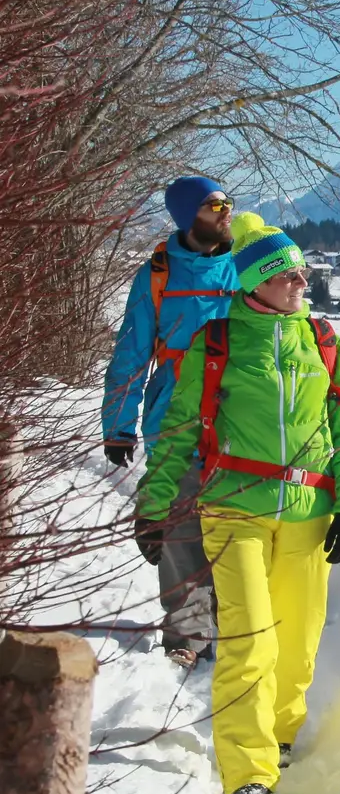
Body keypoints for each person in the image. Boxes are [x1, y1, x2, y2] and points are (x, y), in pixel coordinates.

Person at [134, 213, 340, 794]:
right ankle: (247, 768)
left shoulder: (321, 341)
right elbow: (180, 431)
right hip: (231, 509)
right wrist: (155, 506)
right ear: (253, 283)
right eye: (286, 274)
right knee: (248, 641)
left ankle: (282, 734)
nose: (300, 281)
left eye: (302, 271)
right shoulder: (215, 342)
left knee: (296, 643)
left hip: (308, 514)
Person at [102, 177, 238, 666]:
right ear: (188, 216)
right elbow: (132, 352)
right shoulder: (158, 274)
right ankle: (187, 635)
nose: (227, 212)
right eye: (215, 205)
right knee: (181, 524)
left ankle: (235, 624)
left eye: (228, 202)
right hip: (174, 413)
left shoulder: (244, 264)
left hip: (238, 414)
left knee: (234, 521)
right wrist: (118, 424)